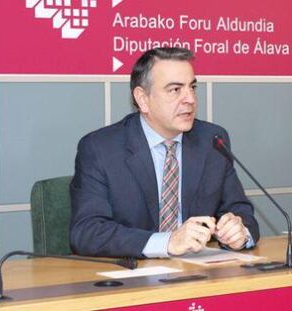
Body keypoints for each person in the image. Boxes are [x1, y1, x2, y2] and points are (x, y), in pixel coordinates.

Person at [69, 47, 259, 258]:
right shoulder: (101, 148)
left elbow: (242, 212)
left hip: (197, 277)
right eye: (175, 90)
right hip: (132, 279)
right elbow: (87, 232)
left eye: (192, 87)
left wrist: (239, 232)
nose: (190, 99)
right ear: (143, 99)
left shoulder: (211, 141)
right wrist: (167, 242)